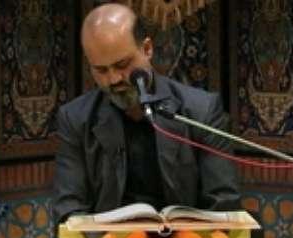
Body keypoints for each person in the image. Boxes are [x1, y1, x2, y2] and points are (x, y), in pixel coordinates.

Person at [53, 3, 240, 224]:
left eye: (122, 64)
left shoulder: (202, 111)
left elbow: (223, 204)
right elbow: (70, 211)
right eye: (101, 70)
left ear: (147, 49)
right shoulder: (75, 119)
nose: (113, 79)